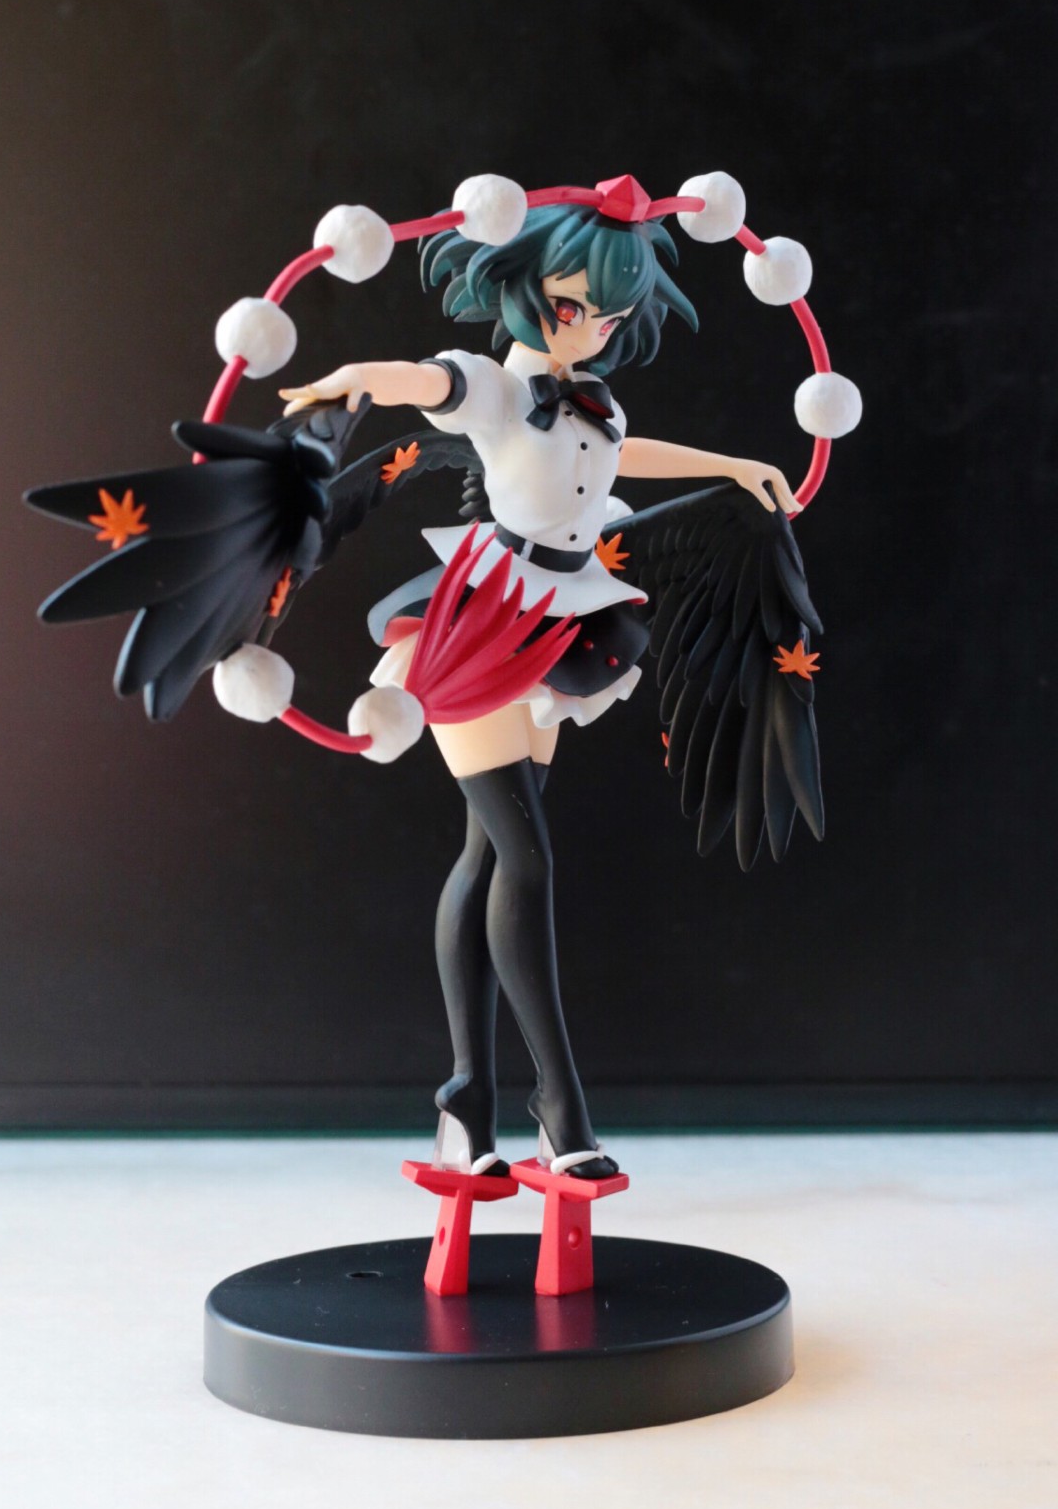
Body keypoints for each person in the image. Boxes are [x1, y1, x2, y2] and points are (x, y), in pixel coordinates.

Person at [271, 201, 798, 1180]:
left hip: (558, 619)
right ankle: (560, 1107)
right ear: (522, 292)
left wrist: (731, 466)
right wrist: (357, 381)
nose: (590, 329)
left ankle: (464, 1101)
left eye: (609, 315)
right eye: (571, 307)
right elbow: (430, 379)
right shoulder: (498, 390)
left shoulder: (592, 399)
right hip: (480, 622)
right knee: (525, 854)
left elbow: (618, 459)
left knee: (489, 855)